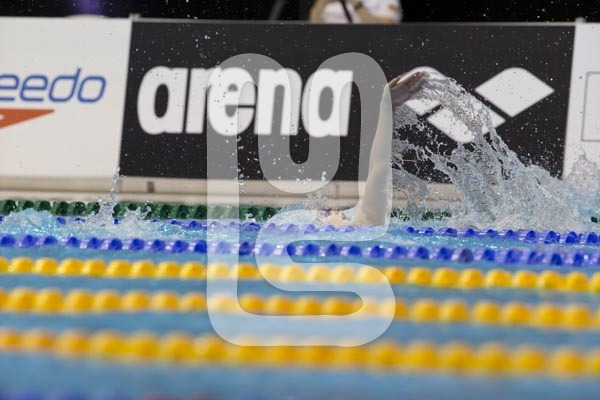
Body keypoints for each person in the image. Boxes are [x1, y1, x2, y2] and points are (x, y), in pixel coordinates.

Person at [320, 71, 427, 226]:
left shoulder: (360, 229)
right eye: (326, 214)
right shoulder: (362, 226)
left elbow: (379, 168)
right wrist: (386, 105)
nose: (335, 209)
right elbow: (379, 166)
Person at [309, 0, 402, 24]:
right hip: (330, 43)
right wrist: (322, 2)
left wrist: (356, 4)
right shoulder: (329, 3)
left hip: (365, 44)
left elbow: (386, 27)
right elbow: (313, 24)